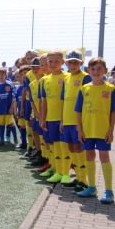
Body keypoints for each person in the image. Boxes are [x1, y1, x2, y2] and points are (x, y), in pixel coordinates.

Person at [75, 57, 115, 204]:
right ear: (88, 71)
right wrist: (79, 130)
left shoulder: (110, 89)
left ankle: (109, 191)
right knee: (89, 156)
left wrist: (111, 131)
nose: (96, 72)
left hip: (103, 131)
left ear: (105, 71)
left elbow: (113, 112)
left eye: (99, 69)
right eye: (93, 69)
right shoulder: (84, 89)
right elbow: (78, 111)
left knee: (104, 157)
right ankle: (91, 187)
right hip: (87, 131)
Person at [60, 50, 91, 193]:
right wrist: (62, 120)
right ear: (66, 63)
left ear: (81, 63)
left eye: (76, 62)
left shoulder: (85, 78)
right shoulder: (66, 78)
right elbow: (64, 101)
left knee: (79, 149)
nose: (72, 65)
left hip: (79, 121)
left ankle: (83, 181)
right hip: (67, 120)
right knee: (72, 148)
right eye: (70, 62)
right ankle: (78, 178)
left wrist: (84, 123)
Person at [40, 49, 70, 184]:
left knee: (65, 148)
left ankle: (66, 174)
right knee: (54, 147)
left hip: (65, 119)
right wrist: (42, 118)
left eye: (56, 61)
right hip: (50, 119)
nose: (53, 64)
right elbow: (43, 101)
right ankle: (58, 172)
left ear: (63, 62)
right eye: (50, 61)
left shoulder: (68, 77)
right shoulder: (44, 80)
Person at [28, 58, 47, 166]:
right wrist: (35, 113)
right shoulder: (32, 84)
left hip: (44, 114)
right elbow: (32, 101)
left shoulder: (45, 80)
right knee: (36, 133)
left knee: (44, 136)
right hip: (36, 114)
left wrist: (42, 115)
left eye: (37, 67)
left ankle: (46, 156)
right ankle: (40, 152)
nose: (35, 70)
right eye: (33, 68)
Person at [21, 49, 39, 157]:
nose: (29, 60)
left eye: (32, 58)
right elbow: (26, 90)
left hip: (40, 102)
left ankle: (40, 150)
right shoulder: (28, 74)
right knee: (29, 123)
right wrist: (22, 105)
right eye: (28, 58)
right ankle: (30, 147)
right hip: (30, 101)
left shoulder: (43, 71)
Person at [0, 67, 17, 146]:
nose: (0, 76)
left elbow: (13, 97)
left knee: (11, 124)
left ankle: (15, 139)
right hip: (0, 108)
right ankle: (2, 140)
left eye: (2, 74)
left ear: (5, 75)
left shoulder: (10, 84)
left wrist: (11, 108)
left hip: (8, 108)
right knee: (1, 124)